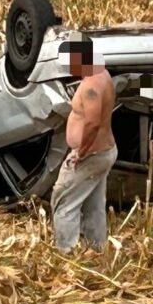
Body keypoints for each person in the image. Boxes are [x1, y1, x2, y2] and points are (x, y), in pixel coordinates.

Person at [51, 32, 118, 253]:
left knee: (63, 202)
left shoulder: (91, 86)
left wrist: (81, 153)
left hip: (91, 155)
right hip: (104, 152)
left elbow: (92, 123)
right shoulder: (103, 75)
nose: (69, 68)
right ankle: (96, 251)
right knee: (94, 204)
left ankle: (66, 254)